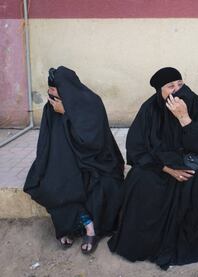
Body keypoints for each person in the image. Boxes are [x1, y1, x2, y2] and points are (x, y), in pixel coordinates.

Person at [108, 67, 198, 270]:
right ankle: (146, 242)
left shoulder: (194, 103)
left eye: (180, 84)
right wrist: (167, 169)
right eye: (170, 86)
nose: (178, 90)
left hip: (193, 161)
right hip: (161, 164)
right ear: (159, 91)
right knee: (140, 179)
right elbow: (136, 149)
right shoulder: (150, 109)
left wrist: (184, 118)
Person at [24, 66, 125, 254]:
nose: (50, 93)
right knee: (51, 182)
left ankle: (91, 229)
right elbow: (48, 141)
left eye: (54, 89)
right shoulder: (52, 106)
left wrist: (68, 115)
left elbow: (94, 142)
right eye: (50, 89)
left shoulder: (91, 102)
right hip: (66, 159)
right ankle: (71, 226)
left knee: (96, 185)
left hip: (97, 160)